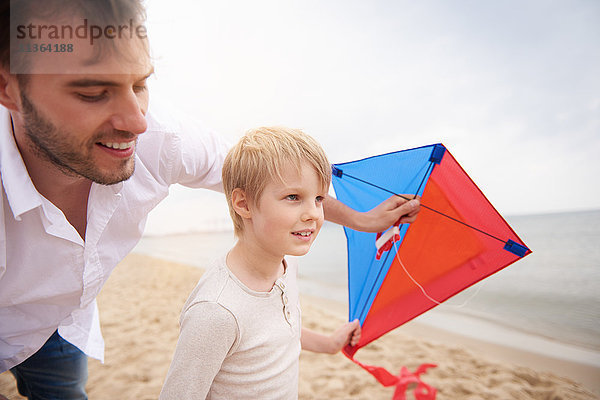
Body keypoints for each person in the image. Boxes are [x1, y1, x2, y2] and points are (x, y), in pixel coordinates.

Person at [0, 0, 420, 399]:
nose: (138, 123)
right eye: (93, 91)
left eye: (141, 84)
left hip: (67, 323)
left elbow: (267, 180)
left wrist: (362, 221)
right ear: (9, 87)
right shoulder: (216, 309)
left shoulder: (167, 140)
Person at [160, 127, 361, 399]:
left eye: (318, 198)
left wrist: (328, 344)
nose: (313, 213)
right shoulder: (216, 311)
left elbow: (275, 332)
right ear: (243, 204)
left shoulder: (286, 264)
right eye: (293, 197)